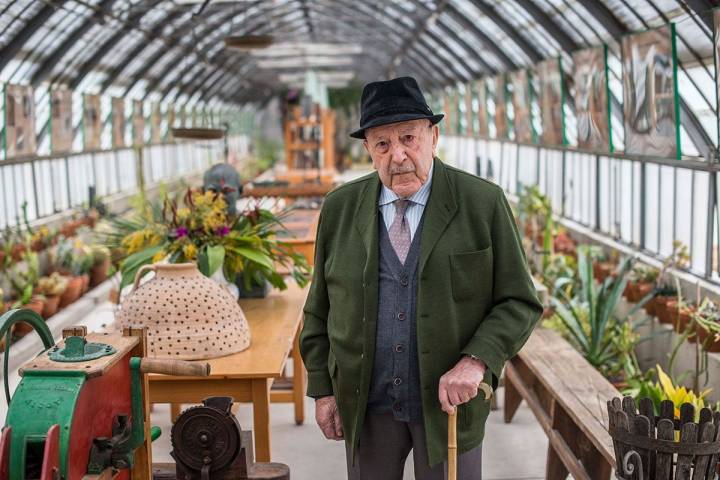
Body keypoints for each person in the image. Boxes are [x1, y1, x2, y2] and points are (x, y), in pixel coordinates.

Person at [299, 76, 543, 480]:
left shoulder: (482, 203)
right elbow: (319, 309)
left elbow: (519, 301)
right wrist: (323, 389)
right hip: (365, 403)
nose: (398, 155)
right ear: (368, 150)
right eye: (382, 143)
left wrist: (476, 361)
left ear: (434, 136)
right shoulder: (340, 209)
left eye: (409, 138)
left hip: (449, 407)